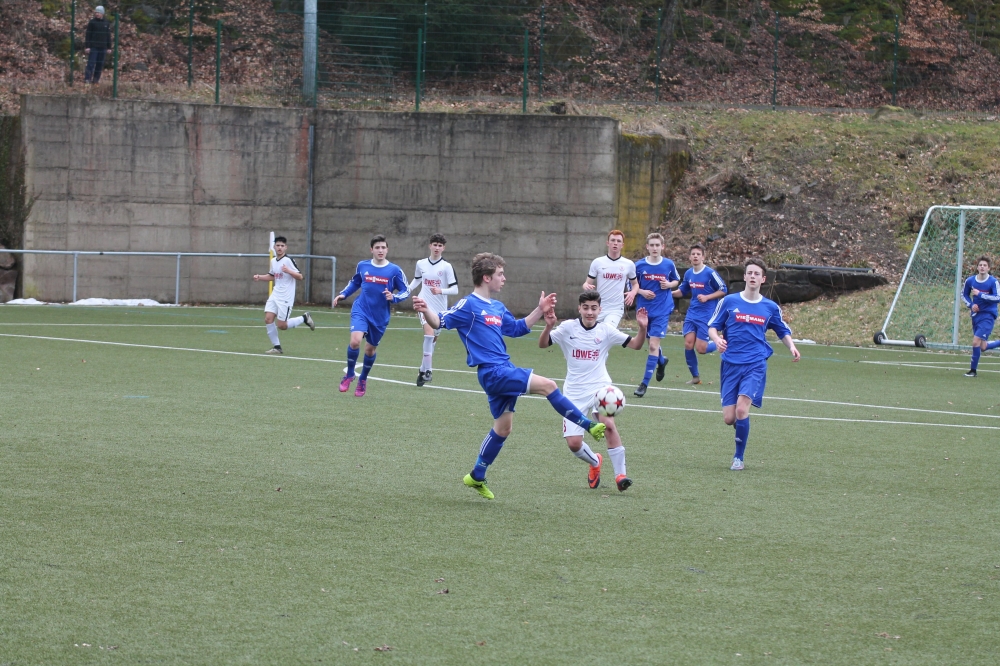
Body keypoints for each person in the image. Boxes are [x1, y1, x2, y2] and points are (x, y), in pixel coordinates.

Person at [413, 252, 606, 501]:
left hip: (502, 369)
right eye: (500, 274)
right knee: (548, 385)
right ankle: (588, 425)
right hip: (493, 372)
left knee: (503, 428)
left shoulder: (497, 307)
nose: (504, 278)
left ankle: (477, 475)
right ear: (486, 277)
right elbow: (439, 321)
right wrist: (427, 309)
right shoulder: (469, 305)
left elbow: (516, 329)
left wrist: (540, 310)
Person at [539, 291, 649, 492]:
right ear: (579, 309)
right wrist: (548, 326)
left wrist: (642, 328)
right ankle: (595, 461)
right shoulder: (568, 328)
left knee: (608, 425)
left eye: (594, 308)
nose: (590, 312)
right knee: (574, 444)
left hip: (600, 387)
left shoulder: (606, 330)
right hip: (574, 392)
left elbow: (636, 345)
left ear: (600, 310)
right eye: (586, 308)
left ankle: (620, 475)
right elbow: (543, 344)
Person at [708, 258, 800, 471]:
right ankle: (741, 426)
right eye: (749, 273)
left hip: (755, 364)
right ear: (744, 276)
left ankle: (738, 458)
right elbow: (712, 326)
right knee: (729, 418)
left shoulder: (770, 307)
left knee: (741, 409)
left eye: (756, 273)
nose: (752, 276)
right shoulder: (729, 301)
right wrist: (717, 339)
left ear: (763, 279)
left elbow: (782, 330)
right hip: (730, 364)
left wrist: (792, 346)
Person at [333, 235, 410, 397]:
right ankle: (350, 374)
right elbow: (355, 282)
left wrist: (394, 297)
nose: (380, 250)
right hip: (361, 309)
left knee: (369, 349)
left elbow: (406, 290)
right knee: (355, 341)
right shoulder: (363, 265)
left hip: (380, 316)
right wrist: (343, 294)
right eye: (377, 248)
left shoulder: (394, 270)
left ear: (387, 250)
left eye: (383, 247)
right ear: (371, 250)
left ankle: (363, 379)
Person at [672, 243, 728, 384]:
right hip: (692, 313)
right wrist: (667, 293)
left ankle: (722, 340)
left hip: (707, 314)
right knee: (688, 344)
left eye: (698, 254)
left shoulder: (710, 273)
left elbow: (723, 289)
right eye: (693, 254)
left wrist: (707, 297)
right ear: (689, 257)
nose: (695, 256)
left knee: (701, 349)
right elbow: (682, 291)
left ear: (703, 257)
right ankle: (695, 377)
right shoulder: (689, 273)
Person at [633, 232, 680, 397]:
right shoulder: (639, 266)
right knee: (650, 343)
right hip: (644, 310)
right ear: (647, 247)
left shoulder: (668, 264)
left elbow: (676, 280)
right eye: (652, 245)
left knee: (653, 345)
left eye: (657, 245)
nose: (654, 248)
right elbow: (631, 286)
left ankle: (644, 384)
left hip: (662, 309)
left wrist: (669, 284)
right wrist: (642, 291)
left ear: (662, 247)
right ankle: (661, 360)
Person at [408, 234, 458, 386]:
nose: (437, 248)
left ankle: (422, 370)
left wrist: (441, 290)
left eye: (440, 245)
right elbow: (417, 279)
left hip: (440, 309)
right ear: (430, 246)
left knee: (434, 339)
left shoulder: (446, 266)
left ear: (444, 248)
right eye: (435, 244)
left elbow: (455, 289)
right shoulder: (421, 263)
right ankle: (429, 370)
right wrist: (406, 290)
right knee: (429, 334)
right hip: (424, 304)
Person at [252, 236, 314, 354]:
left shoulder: (288, 260)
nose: (280, 248)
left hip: (286, 297)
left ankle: (304, 318)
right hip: (275, 294)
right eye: (278, 245)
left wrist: (289, 271)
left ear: (286, 247)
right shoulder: (273, 261)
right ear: (274, 247)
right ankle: (277, 347)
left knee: (282, 325)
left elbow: (300, 276)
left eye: (282, 246)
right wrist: (260, 277)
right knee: (268, 319)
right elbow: (272, 276)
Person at [582, 229, 638, 329]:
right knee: (593, 334)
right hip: (599, 306)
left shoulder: (629, 264)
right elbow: (586, 283)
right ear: (608, 243)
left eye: (618, 241)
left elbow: (635, 284)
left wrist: (632, 293)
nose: (615, 243)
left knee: (607, 329)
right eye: (613, 240)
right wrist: (586, 286)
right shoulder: (597, 262)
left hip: (616, 308)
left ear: (622, 245)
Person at [961, 256, 1000, 377]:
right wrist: (971, 305)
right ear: (977, 267)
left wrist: (981, 295)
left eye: (985, 265)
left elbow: (997, 298)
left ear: (989, 268)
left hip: (988, 315)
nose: (982, 267)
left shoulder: (993, 282)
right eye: (980, 265)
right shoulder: (970, 281)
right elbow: (964, 295)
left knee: (975, 342)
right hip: (976, 315)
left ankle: (973, 371)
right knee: (982, 346)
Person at [84, 6, 113, 84]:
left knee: (100, 64)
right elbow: (88, 35)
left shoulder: (106, 23)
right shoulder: (92, 22)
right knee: (91, 63)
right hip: (94, 47)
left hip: (103, 47)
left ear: (102, 13)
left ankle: (96, 80)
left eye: (98, 12)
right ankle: (87, 79)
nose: (97, 14)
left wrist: (109, 47)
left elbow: (108, 36)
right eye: (96, 12)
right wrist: (87, 46)